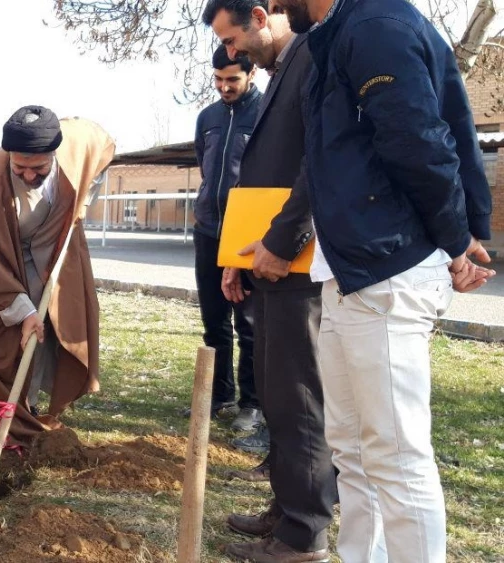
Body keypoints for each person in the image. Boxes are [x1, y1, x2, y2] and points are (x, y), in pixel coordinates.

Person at [272, 0, 495, 561]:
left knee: (395, 457)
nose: (273, 5)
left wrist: (457, 236)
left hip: (389, 269)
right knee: (352, 450)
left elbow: (419, 141)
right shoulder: (341, 32)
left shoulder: (375, 26)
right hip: (349, 271)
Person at [205, 0, 336, 560]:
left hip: (296, 263)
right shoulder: (289, 66)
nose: (230, 53)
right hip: (266, 262)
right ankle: (285, 510)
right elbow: (262, 179)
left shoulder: (311, 57)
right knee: (278, 392)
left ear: (260, 16)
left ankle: (304, 534)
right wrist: (238, 254)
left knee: (299, 395)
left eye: (232, 40)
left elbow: (315, 165)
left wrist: (283, 242)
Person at [0, 106, 114, 445]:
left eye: (38, 168)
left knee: (50, 328)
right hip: (1, 257)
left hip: (53, 250)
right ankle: (9, 409)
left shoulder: (76, 142)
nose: (28, 176)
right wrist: (23, 309)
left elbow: (103, 146)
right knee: (9, 332)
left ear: (54, 153)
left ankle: (35, 402)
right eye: (20, 168)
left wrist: (86, 196)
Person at [191, 44, 263, 431]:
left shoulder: (268, 113)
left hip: (249, 234)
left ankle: (253, 404)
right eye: (218, 79)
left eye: (232, 79)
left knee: (249, 323)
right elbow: (206, 166)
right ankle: (219, 395)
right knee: (213, 320)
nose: (224, 87)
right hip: (208, 231)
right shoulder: (207, 118)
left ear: (251, 74)